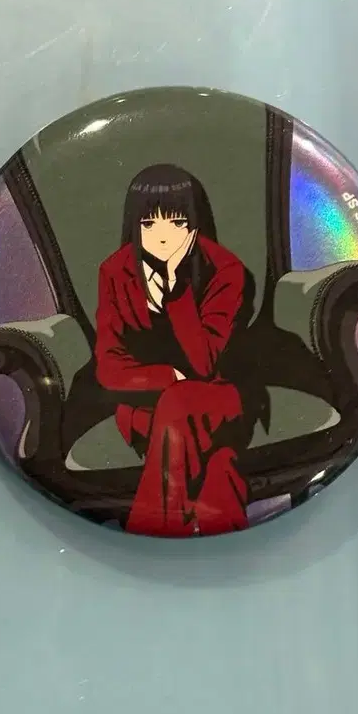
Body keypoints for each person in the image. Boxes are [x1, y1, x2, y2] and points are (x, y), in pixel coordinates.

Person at [94, 163, 255, 536]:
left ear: (195, 225)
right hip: (144, 407)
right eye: (149, 224)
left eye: (177, 222)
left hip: (219, 399)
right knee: (219, 465)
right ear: (134, 226)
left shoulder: (226, 270)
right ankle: (222, 551)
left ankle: (151, 533)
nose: (163, 236)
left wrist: (175, 286)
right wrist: (168, 377)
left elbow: (205, 363)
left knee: (180, 403)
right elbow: (109, 366)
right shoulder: (115, 271)